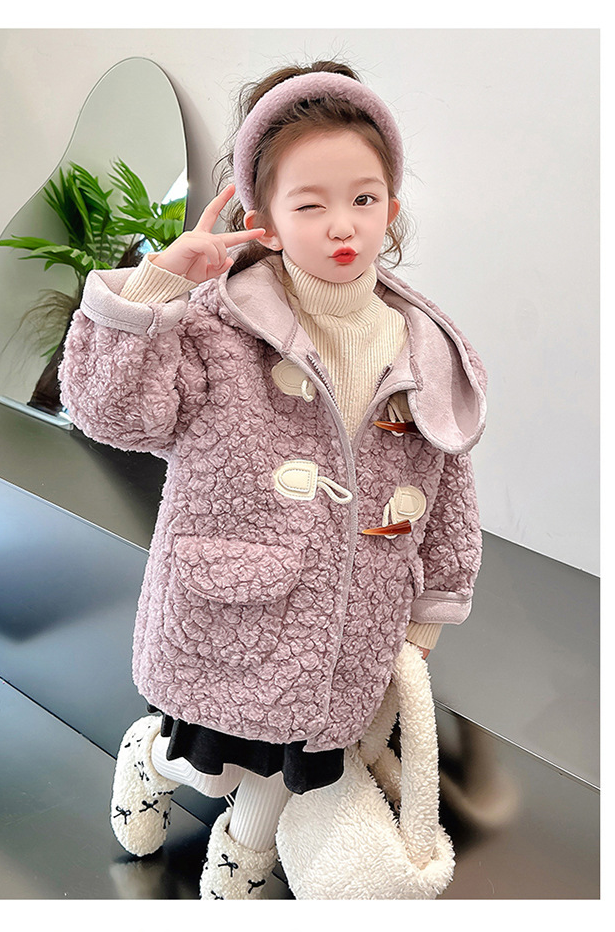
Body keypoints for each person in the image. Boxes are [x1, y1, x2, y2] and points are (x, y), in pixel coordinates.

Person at [58, 59, 487, 899]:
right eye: (310, 203)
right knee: (214, 762)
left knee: (296, 762)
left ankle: (243, 857)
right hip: (234, 608)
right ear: (264, 219)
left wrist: (433, 603)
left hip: (352, 615)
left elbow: (447, 485)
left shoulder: (424, 344)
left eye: (364, 198)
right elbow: (113, 413)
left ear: (392, 206)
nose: (343, 225)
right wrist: (160, 283)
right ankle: (151, 757)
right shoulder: (217, 324)